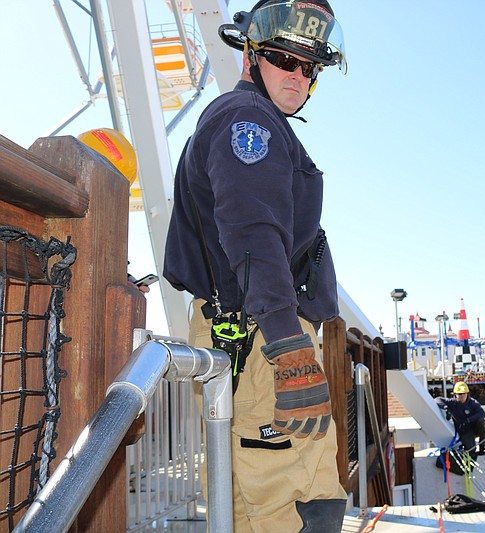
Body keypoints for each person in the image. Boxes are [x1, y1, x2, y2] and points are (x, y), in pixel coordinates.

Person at [162, 1, 348, 531]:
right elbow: (252, 234)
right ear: (250, 57)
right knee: (287, 503)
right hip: (264, 341)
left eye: (311, 66)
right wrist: (290, 346)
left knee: (281, 497)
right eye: (285, 59)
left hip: (258, 336)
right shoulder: (247, 119)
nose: (300, 76)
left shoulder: (255, 121)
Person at [435, 381, 485, 456]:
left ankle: (482, 447)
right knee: (471, 450)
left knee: (482, 421)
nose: (462, 396)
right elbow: (437, 399)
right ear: (455, 395)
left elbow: (482, 413)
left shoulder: (473, 403)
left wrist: (469, 420)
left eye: (464, 393)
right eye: (459, 394)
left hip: (473, 428)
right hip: (464, 431)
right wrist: (446, 408)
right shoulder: (452, 402)